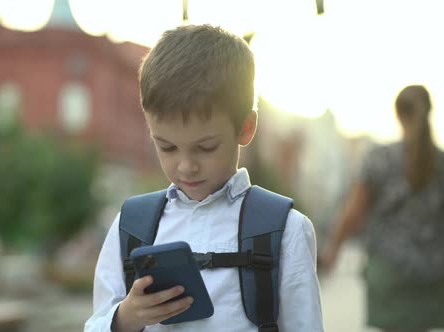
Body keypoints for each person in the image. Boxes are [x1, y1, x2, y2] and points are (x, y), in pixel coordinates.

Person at [84, 24, 323, 332]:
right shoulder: (131, 225)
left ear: (245, 128)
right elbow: (97, 323)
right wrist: (127, 316)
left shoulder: (285, 228)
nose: (186, 166)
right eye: (167, 147)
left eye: (205, 147)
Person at [321, 85, 444, 332]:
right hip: (431, 276)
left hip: (389, 272)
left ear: (398, 114)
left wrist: (333, 249)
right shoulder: (440, 162)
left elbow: (354, 213)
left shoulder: (379, 158)